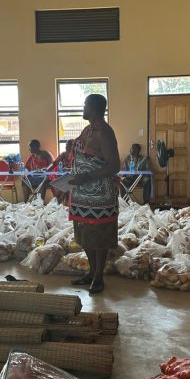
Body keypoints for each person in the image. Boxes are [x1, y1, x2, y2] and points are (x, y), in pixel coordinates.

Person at [68, 94, 120, 294]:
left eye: (85, 106)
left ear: (94, 108)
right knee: (85, 236)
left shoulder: (104, 133)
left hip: (100, 197)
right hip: (81, 195)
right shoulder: (88, 130)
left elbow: (114, 166)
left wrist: (88, 176)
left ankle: (99, 277)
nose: (83, 109)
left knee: (99, 238)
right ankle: (91, 272)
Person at [48, 139, 73, 204]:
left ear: (73, 146)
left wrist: (68, 169)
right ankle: (58, 203)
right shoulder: (63, 154)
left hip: (71, 176)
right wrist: (47, 169)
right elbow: (54, 163)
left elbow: (77, 168)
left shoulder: (76, 156)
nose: (66, 146)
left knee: (66, 185)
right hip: (61, 176)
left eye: (68, 145)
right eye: (66, 145)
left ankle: (58, 204)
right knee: (53, 182)